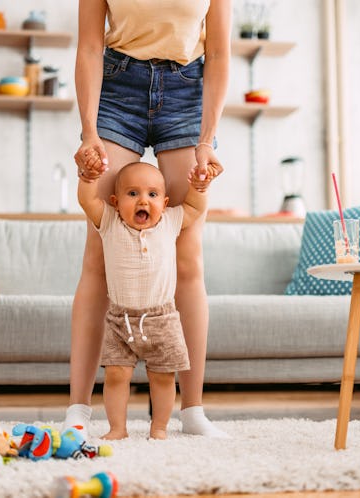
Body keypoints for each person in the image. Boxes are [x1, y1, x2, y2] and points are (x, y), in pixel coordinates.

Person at [64, 0, 231, 438]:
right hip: (118, 87)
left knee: (188, 257)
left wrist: (207, 141)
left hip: (187, 89)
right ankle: (78, 410)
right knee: (99, 255)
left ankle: (192, 411)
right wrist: (88, 133)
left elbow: (218, 53)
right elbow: (88, 48)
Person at [77, 161, 215, 439]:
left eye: (152, 195)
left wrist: (199, 188)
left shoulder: (169, 221)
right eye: (133, 194)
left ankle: (160, 427)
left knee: (163, 378)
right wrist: (88, 178)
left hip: (163, 319)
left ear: (164, 203)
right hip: (120, 321)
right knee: (116, 376)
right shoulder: (109, 222)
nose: (143, 200)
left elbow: (194, 208)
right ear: (116, 202)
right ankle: (117, 428)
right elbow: (88, 200)